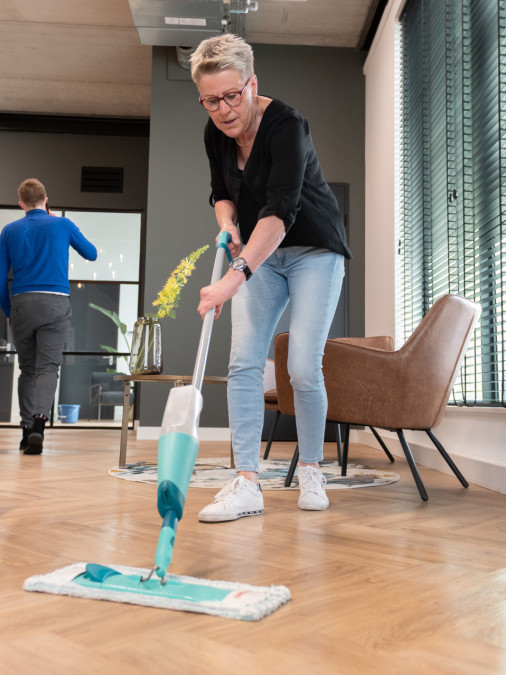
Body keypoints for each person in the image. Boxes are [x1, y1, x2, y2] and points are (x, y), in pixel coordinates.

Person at [190, 35, 351, 521]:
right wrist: (228, 225)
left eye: (231, 96)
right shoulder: (215, 132)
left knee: (301, 366)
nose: (223, 110)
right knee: (243, 362)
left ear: (252, 84)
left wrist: (233, 277)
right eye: (210, 100)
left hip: (314, 249)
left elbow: (280, 213)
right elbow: (221, 193)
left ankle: (312, 470)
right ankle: (247, 483)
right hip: (260, 251)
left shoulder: (287, 126)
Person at [0, 178, 97, 455]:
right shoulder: (62, 224)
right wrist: (59, 224)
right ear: (46, 199)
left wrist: (9, 311)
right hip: (55, 303)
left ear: (21, 204)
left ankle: (26, 432)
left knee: (27, 370)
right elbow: (92, 254)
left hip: (22, 304)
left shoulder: (9, 230)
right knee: (48, 368)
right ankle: (40, 422)